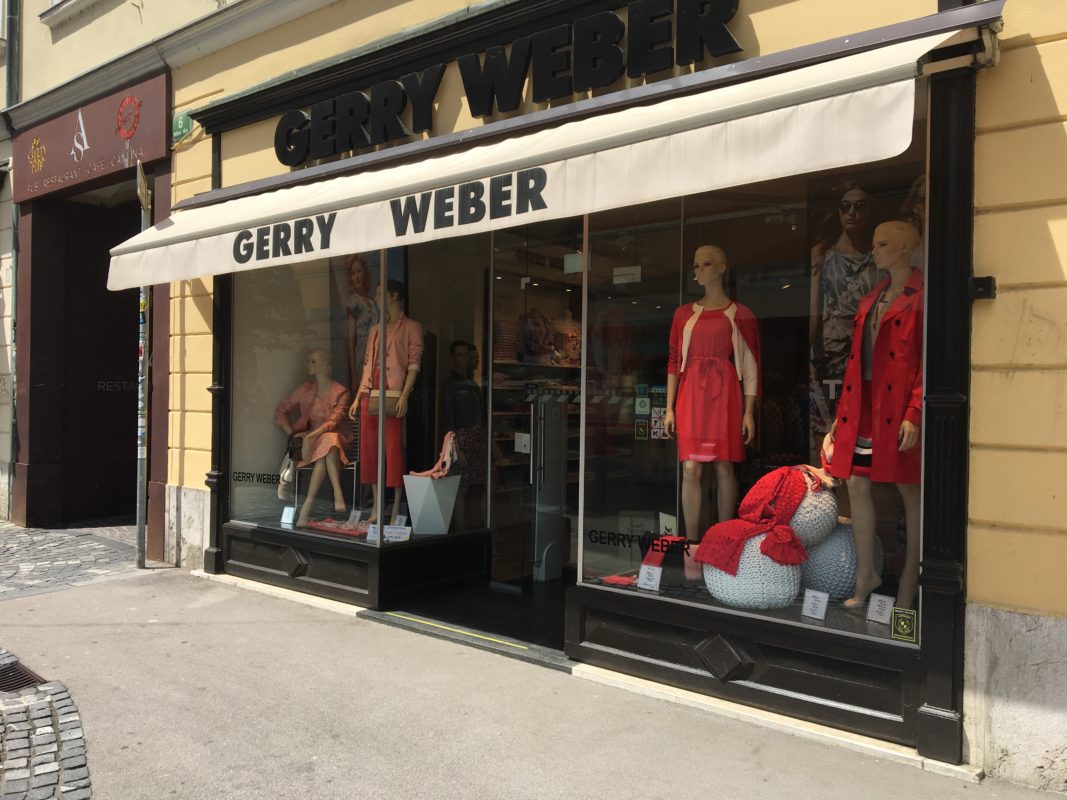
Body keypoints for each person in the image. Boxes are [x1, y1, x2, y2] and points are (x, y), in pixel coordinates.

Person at [826, 221, 924, 610]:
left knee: (909, 491)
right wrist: (842, 414)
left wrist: (914, 412)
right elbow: (855, 363)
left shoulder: (921, 297)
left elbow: (927, 362)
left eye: (883, 243)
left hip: (897, 407)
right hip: (864, 404)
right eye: (874, 243)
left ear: (906, 247)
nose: (875, 250)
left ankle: (911, 580)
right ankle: (866, 574)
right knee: (854, 483)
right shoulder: (871, 300)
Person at [665, 245, 760, 558]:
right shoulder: (683, 314)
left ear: (722, 267)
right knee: (691, 467)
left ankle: (724, 541)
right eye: (696, 265)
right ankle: (692, 546)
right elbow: (674, 362)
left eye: (706, 264)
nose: (699, 270)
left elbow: (751, 364)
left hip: (725, 393)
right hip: (691, 393)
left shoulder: (740, 314)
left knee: (723, 465)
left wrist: (748, 411)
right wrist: (669, 408)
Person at [349, 280, 424, 526]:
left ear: (393, 295)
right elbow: (367, 365)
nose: (377, 297)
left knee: (393, 449)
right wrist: (358, 396)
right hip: (371, 390)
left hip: (393, 391)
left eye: (381, 293)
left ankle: (396, 505)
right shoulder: (375, 329)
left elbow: (414, 364)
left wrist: (404, 395)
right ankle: (377, 505)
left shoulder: (412, 327)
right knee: (369, 449)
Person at [809, 182, 878, 441]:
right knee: (830, 419)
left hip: (867, 345)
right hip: (830, 347)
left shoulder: (877, 255)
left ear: (869, 211)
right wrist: (811, 351)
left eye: (860, 207)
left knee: (862, 417)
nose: (852, 213)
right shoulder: (823, 254)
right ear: (837, 212)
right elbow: (814, 308)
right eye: (845, 207)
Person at [274, 349, 353, 528]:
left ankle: (306, 508)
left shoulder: (341, 392)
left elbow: (334, 422)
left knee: (330, 438)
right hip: (313, 445)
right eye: (308, 361)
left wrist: (310, 436)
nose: (308, 364)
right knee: (325, 451)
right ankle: (337, 494)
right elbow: (281, 410)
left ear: (325, 366)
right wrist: (293, 434)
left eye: (313, 361)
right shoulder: (305, 389)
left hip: (337, 441)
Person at [441, 340, 487, 529]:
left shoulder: (473, 385)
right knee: (461, 488)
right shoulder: (450, 385)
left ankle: (474, 529)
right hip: (460, 439)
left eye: (466, 355)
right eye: (459, 355)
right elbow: (448, 421)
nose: (463, 359)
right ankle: (460, 532)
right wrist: (456, 449)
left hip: (477, 438)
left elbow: (480, 416)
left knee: (477, 488)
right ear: (453, 358)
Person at [344, 254, 380, 393]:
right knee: (364, 391)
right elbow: (351, 340)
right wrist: (354, 377)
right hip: (362, 353)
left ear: (365, 273)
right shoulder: (353, 302)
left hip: (377, 351)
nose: (356, 276)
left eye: (359, 271)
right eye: (353, 273)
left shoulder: (373, 301)